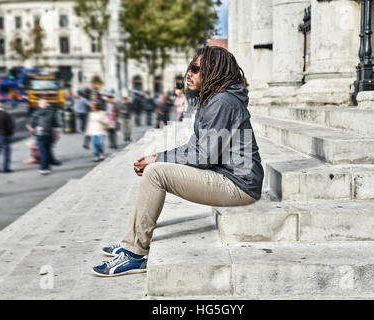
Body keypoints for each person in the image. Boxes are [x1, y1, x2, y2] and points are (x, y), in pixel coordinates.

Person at [92, 46, 264, 277]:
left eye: (195, 69)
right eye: (189, 68)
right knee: (156, 168)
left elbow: (203, 156)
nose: (188, 74)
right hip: (229, 176)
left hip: (240, 184)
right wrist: (157, 156)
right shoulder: (214, 100)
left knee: (156, 173)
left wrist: (158, 161)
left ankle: (134, 254)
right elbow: (195, 148)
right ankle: (130, 243)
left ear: (214, 71)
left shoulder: (223, 102)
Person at [26, 99, 60, 175]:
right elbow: (55, 124)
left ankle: (44, 168)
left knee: (42, 151)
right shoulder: (51, 113)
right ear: (47, 105)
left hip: (39, 133)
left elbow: (31, 124)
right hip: (48, 133)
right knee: (48, 150)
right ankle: (48, 165)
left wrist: (33, 129)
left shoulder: (36, 113)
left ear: (39, 105)